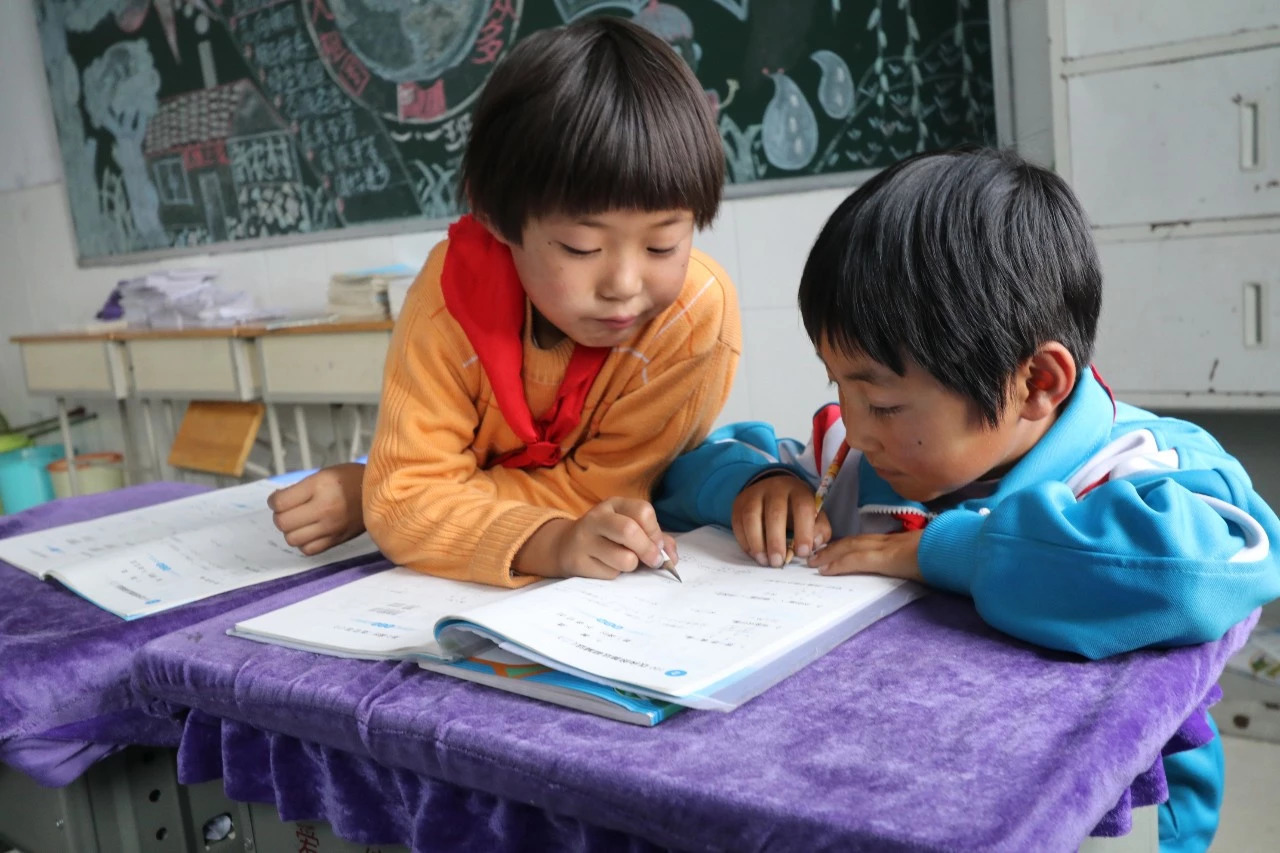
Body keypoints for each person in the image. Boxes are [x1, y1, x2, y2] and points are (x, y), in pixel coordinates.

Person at [652, 147, 1280, 853]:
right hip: (904, 775)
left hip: (1114, 815)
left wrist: (942, 551)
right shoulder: (851, 458)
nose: (855, 426)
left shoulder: (1139, 466)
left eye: (884, 403)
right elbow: (688, 470)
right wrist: (757, 484)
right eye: (838, 386)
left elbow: (1199, 571)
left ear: (1037, 382)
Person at [272, 16, 739, 588]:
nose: (623, 284)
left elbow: (597, 495)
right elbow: (404, 500)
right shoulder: (451, 301)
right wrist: (547, 541)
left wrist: (386, 494)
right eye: (581, 247)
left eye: (663, 245)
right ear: (495, 216)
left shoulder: (689, 317)